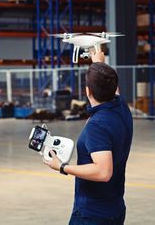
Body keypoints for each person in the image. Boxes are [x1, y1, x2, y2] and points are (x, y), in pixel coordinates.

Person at [44, 50, 133, 225]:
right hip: (114, 208)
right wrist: (99, 63)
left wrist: (62, 167)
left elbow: (103, 172)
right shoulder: (121, 106)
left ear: (87, 91)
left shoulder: (98, 125)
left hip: (92, 215)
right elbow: (111, 86)